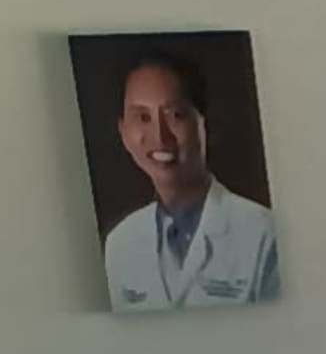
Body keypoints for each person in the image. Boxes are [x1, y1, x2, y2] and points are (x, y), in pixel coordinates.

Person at [101, 47, 282, 310]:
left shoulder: (264, 233)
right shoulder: (120, 244)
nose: (160, 136)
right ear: (123, 132)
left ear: (204, 124)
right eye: (143, 117)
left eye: (175, 115)